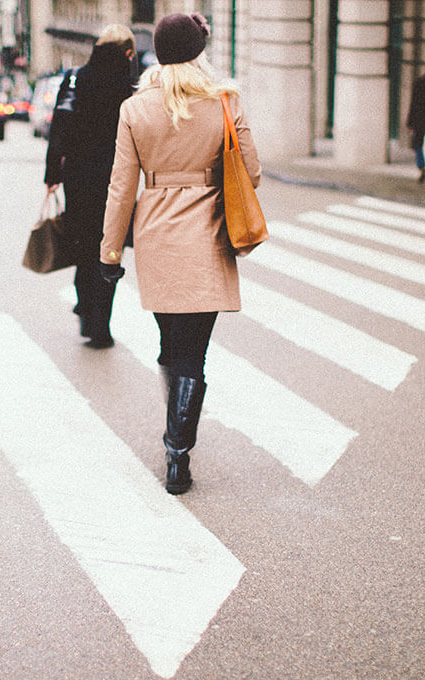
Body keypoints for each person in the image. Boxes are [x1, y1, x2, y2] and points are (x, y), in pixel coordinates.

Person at [98, 13, 260, 495]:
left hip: (157, 239)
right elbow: (251, 171)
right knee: (195, 354)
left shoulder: (136, 109)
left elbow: (121, 187)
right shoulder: (224, 102)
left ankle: (176, 435)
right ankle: (178, 452)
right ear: (198, 51)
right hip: (208, 238)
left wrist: (110, 253)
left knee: (173, 347)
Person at [44, 25, 136, 349]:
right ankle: (101, 325)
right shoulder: (129, 87)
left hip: (79, 177)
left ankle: (86, 309)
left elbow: (60, 125)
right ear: (127, 53)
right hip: (116, 180)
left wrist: (52, 172)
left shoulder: (74, 78)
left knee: (84, 246)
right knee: (110, 250)